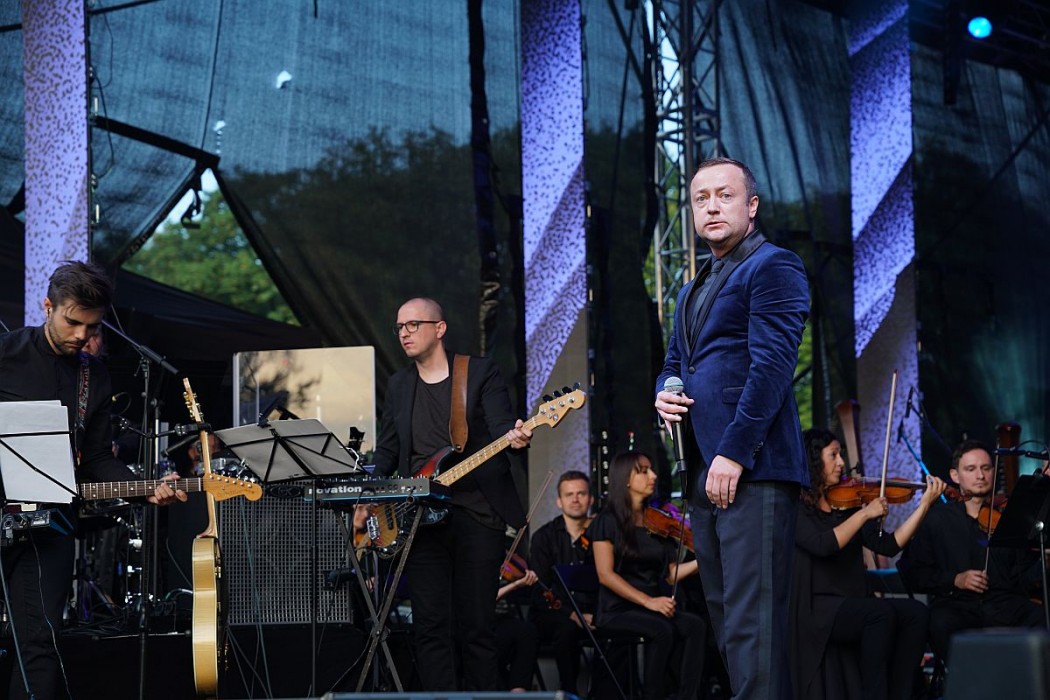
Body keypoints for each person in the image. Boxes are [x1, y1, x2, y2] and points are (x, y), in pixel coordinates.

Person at [655, 157, 810, 698]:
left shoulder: (774, 266)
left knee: (752, 627)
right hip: (705, 469)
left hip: (751, 468)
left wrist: (736, 452)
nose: (712, 206)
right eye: (701, 198)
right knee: (728, 623)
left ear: (752, 206)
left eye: (725, 195)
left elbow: (772, 369)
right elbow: (674, 362)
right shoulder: (693, 286)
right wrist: (664, 389)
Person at [0, 261, 187, 700]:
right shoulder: (5, 354)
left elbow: (98, 456)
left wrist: (145, 490)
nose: (82, 335)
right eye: (73, 322)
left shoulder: (93, 375)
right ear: (48, 307)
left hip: (50, 524)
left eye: (92, 326)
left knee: (41, 641)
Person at [371, 297, 532, 691]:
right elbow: (388, 451)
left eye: (413, 325)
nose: (404, 333)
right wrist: (365, 486)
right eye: (400, 327)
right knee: (429, 627)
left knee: (477, 627)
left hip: (476, 514)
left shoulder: (478, 372)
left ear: (439, 329)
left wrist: (516, 437)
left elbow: (502, 429)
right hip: (419, 518)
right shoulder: (399, 385)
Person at [791, 428, 945, 700]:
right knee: (879, 614)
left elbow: (889, 545)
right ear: (813, 460)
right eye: (833, 455)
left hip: (851, 600)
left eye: (841, 454)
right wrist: (864, 515)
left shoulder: (848, 503)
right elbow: (823, 544)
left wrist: (923, 506)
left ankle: (901, 694)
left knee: (916, 613)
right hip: (818, 607)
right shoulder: (797, 508)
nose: (841, 462)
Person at [897, 439, 1046, 661]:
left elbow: (1022, 576)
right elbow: (913, 572)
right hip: (957, 605)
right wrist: (955, 579)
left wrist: (1043, 561)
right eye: (971, 469)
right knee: (939, 623)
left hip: (1003, 605)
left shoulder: (1009, 518)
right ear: (955, 475)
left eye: (986, 468)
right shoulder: (936, 519)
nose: (980, 475)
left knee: (1041, 618)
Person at [587, 450, 705, 700]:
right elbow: (605, 575)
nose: (653, 476)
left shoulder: (654, 521)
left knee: (695, 626)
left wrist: (703, 561)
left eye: (651, 470)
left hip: (653, 607)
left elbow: (671, 575)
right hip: (617, 610)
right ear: (625, 479)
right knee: (662, 630)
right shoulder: (607, 520)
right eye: (643, 471)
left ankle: (687, 696)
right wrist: (649, 601)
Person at [528, 469, 595, 696]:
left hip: (591, 609)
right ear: (559, 501)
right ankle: (569, 692)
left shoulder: (600, 534)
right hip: (554, 612)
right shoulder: (543, 537)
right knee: (566, 629)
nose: (575, 499)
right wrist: (573, 613)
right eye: (569, 495)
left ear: (590, 499)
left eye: (581, 494)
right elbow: (542, 589)